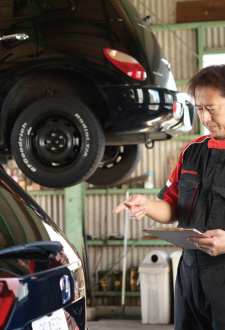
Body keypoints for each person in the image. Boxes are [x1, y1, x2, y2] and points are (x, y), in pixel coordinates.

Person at [113, 64, 225, 330]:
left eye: (211, 108)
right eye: (199, 109)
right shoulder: (191, 151)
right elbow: (173, 207)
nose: (205, 118)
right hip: (189, 272)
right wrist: (148, 205)